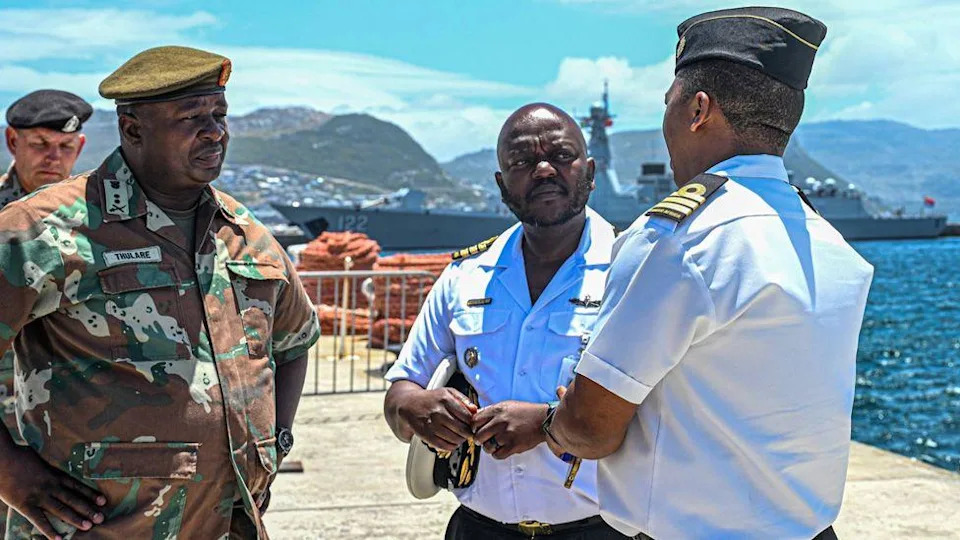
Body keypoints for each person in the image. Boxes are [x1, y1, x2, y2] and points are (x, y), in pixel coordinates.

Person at [543, 7, 874, 540]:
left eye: (669, 104)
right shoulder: (829, 243)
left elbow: (589, 428)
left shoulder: (678, 238)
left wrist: (548, 424)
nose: (666, 120)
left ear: (698, 109)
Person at [0, 46, 320, 539]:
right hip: (98, 528)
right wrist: (10, 474)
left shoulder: (245, 232)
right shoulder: (41, 230)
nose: (214, 131)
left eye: (219, 114)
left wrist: (274, 440)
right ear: (133, 130)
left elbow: (295, 341)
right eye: (191, 117)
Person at [383, 103, 629, 539]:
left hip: (603, 529)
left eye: (562, 155)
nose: (544, 170)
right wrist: (415, 407)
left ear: (590, 171)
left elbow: (663, 411)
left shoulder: (631, 272)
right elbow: (402, 390)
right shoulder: (464, 277)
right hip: (479, 529)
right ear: (501, 184)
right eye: (522, 161)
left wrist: (549, 423)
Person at [0, 89, 93, 535]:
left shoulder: (97, 224)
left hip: (65, 432)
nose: (53, 158)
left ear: (81, 148)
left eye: (65, 147)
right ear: (12, 142)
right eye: (39, 145)